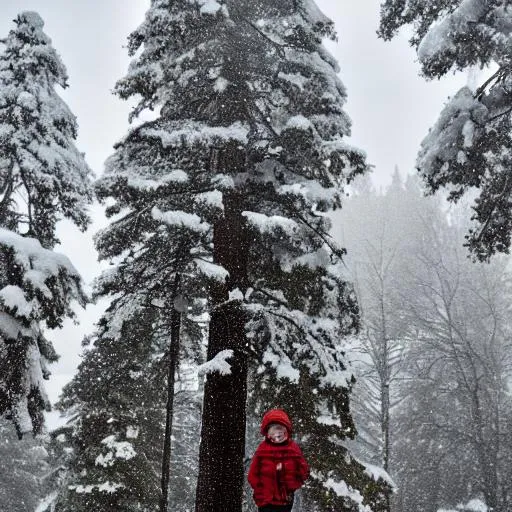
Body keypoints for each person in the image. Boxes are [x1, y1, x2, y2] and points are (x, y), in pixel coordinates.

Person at [248, 409, 309, 512]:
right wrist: (260, 490)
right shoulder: (262, 449)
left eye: (280, 429)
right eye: (272, 429)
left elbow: (303, 471)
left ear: (286, 430)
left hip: (285, 500)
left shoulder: (293, 448)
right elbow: (252, 474)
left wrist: (291, 485)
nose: (277, 433)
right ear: (267, 432)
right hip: (266, 500)